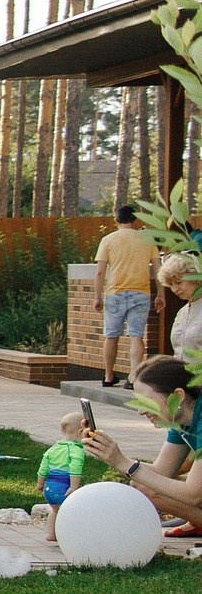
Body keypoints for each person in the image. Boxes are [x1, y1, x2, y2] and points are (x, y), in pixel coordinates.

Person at [81, 353, 202, 531]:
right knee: (142, 484)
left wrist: (123, 463)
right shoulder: (181, 420)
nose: (140, 411)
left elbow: (194, 495)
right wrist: (111, 455)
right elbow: (161, 472)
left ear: (178, 395)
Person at [93, 205, 159, 389]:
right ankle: (132, 378)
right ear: (136, 220)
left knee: (111, 335)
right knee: (136, 335)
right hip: (141, 291)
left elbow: (100, 272)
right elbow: (157, 267)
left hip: (115, 292)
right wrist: (161, 294)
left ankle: (108, 376)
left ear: (116, 220)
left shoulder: (107, 240)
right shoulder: (148, 239)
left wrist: (97, 297)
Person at [37, 407, 89, 542]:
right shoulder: (76, 451)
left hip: (49, 489)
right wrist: (73, 487)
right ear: (80, 432)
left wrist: (40, 484)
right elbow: (75, 469)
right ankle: (68, 537)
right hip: (63, 488)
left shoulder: (52, 449)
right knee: (69, 512)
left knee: (55, 510)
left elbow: (43, 468)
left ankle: (51, 534)